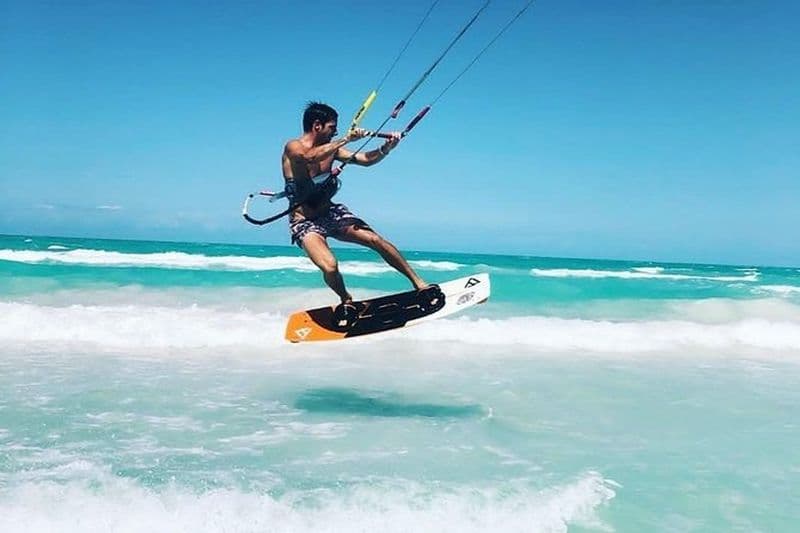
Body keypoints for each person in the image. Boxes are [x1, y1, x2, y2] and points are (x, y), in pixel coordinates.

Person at [282, 102, 431, 317]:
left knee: (375, 240)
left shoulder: (333, 149)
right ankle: (346, 299)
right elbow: (309, 157)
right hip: (304, 221)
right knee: (330, 267)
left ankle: (419, 283)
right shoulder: (292, 147)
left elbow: (364, 160)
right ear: (317, 126)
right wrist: (347, 139)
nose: (336, 131)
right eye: (332, 127)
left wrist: (386, 148)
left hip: (330, 213)